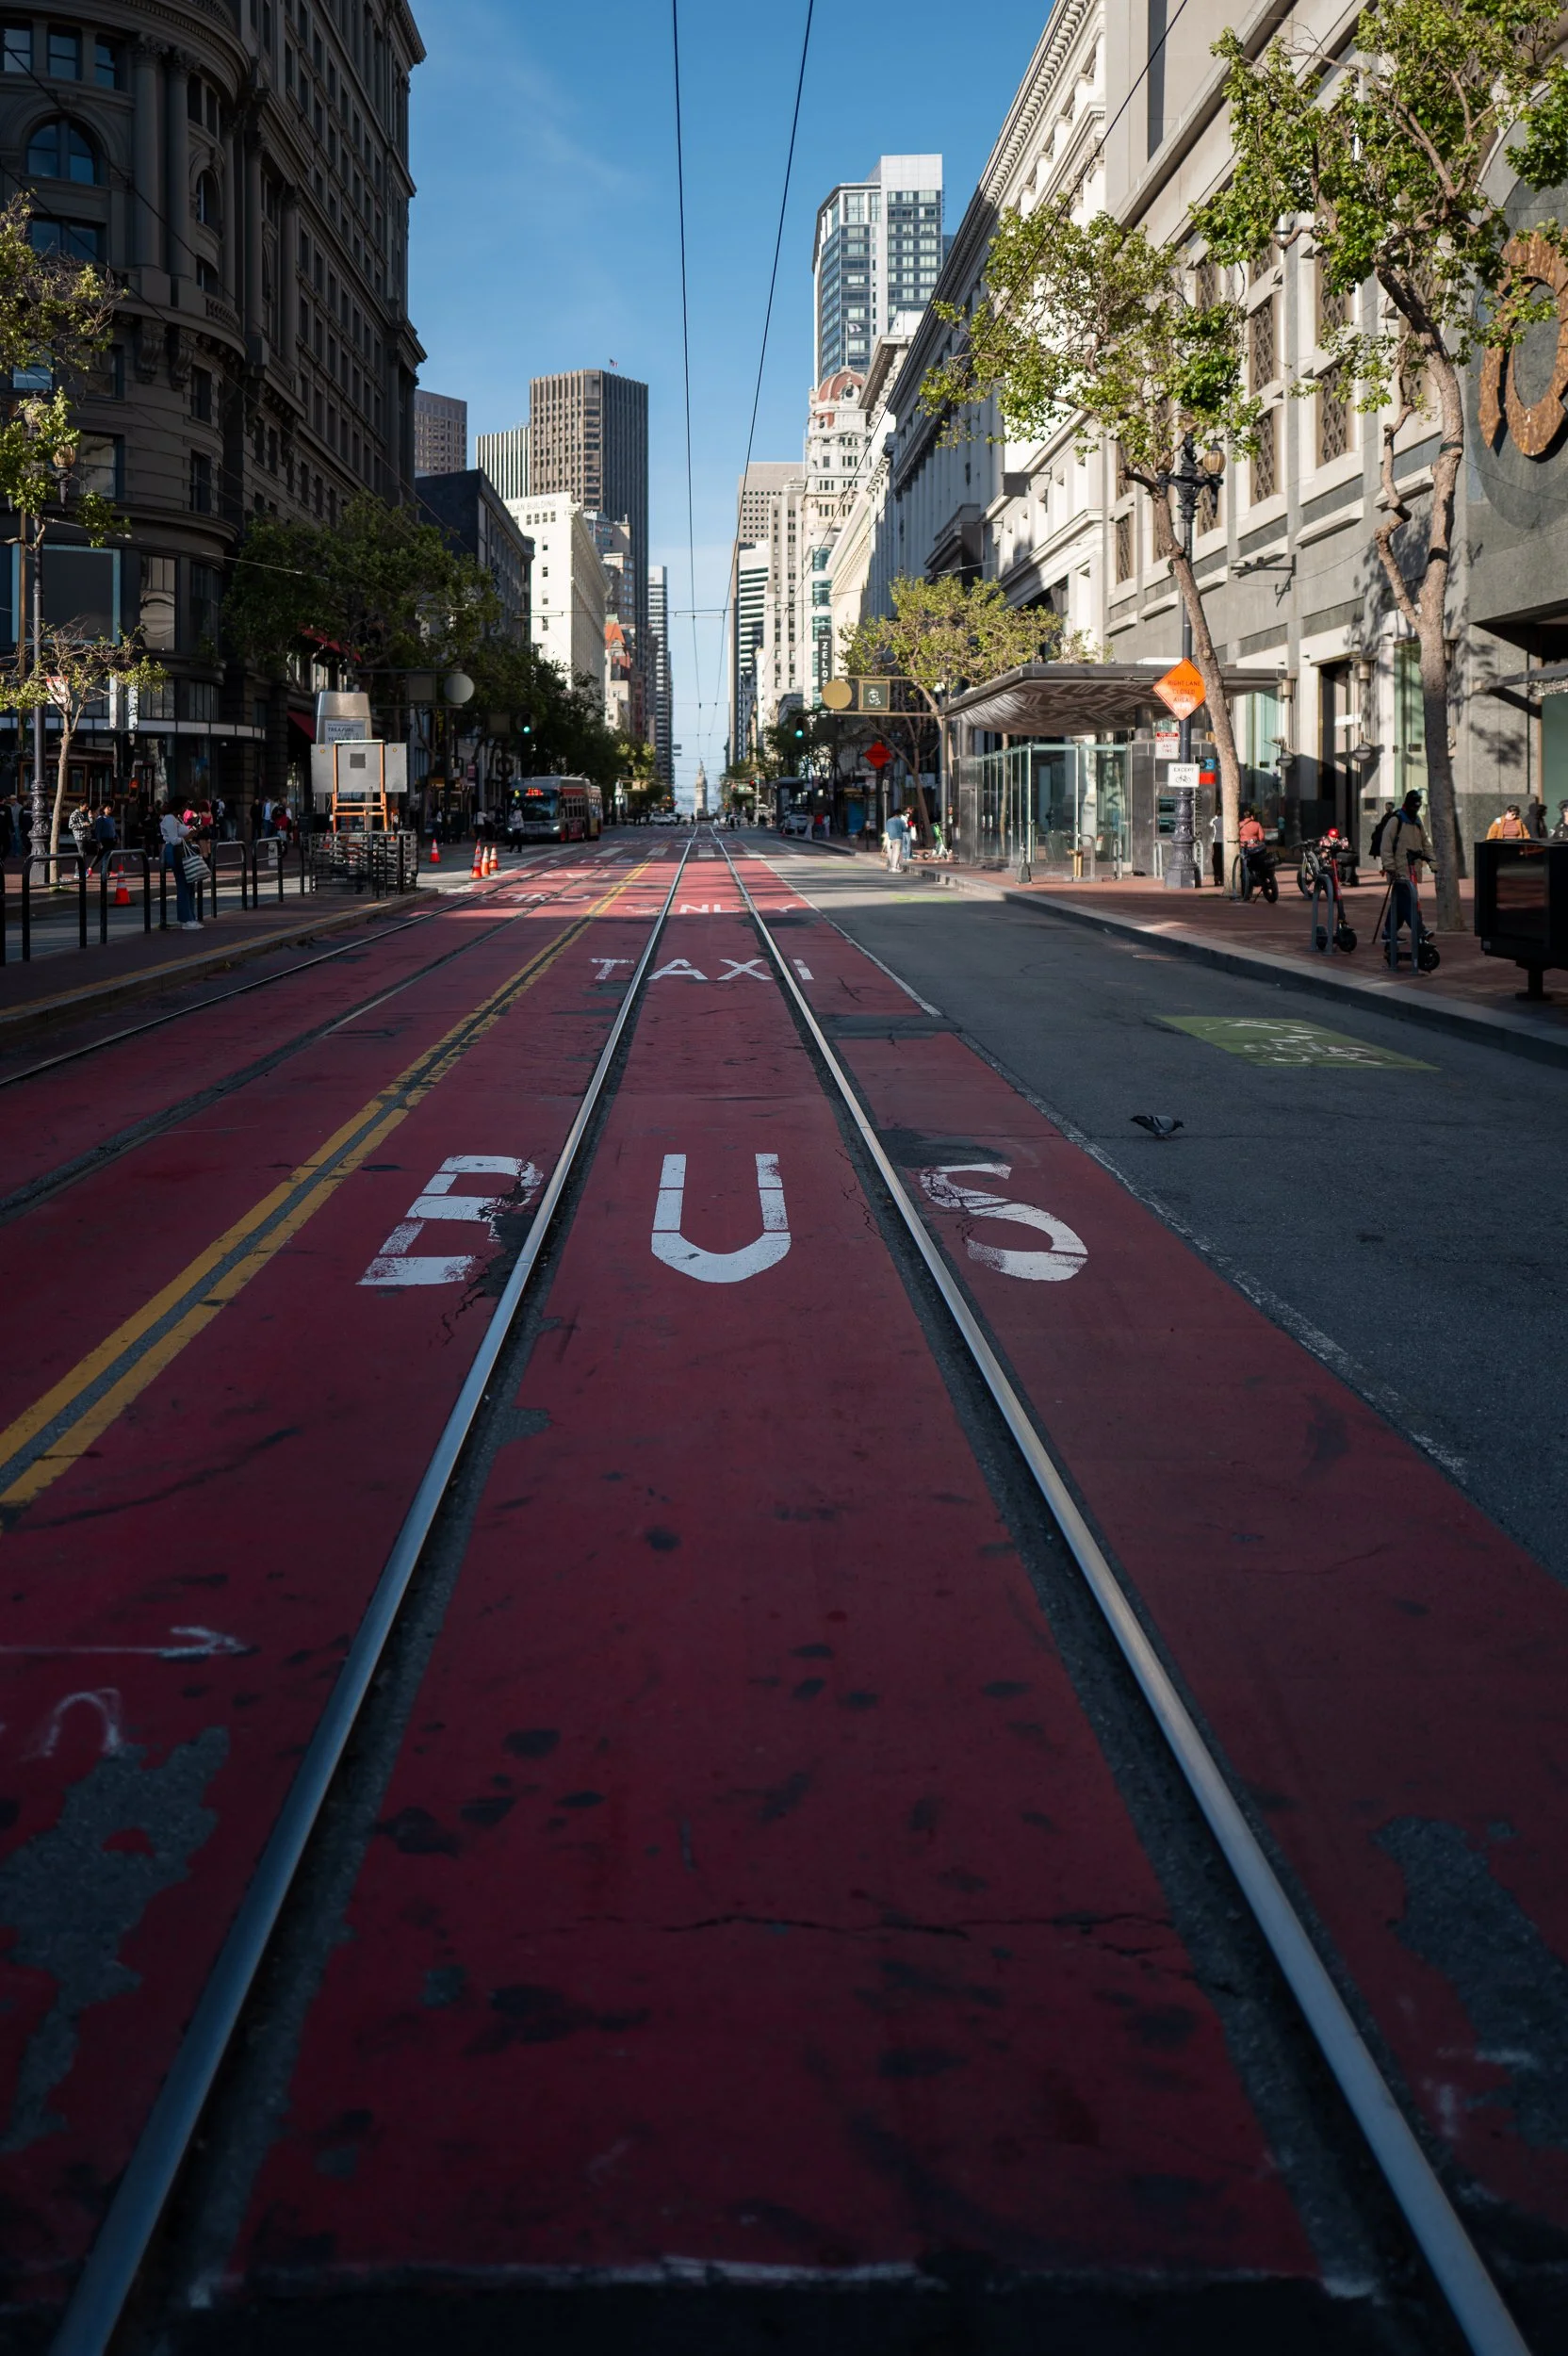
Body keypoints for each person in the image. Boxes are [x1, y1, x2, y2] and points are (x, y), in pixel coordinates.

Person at [1380, 788, 1433, 957]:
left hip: (1413, 868)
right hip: (1399, 870)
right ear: (1407, 804)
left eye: (1418, 807)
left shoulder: (1417, 821)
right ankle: (1420, 930)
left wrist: (1433, 862)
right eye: (1414, 806)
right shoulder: (1396, 820)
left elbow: (1426, 843)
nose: (1416, 809)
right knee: (1409, 901)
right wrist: (1390, 866)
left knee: (1399, 903)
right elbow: (1386, 845)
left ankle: (1389, 931)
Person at [160, 802, 202, 928]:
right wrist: (189, 836)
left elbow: (182, 833)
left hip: (182, 849)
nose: (185, 809)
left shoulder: (177, 818)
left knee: (189, 883)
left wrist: (192, 832)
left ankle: (190, 917)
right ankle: (185, 919)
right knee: (183, 883)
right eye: (183, 807)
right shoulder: (169, 819)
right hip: (175, 850)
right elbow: (173, 839)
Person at [884, 806, 907, 874]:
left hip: (890, 839)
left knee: (890, 853)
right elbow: (904, 829)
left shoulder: (889, 820)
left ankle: (891, 867)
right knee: (896, 853)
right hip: (898, 838)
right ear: (899, 814)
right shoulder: (901, 821)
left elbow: (887, 830)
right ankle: (894, 867)